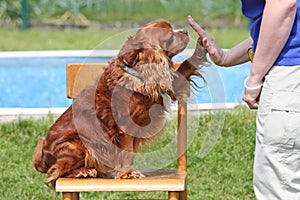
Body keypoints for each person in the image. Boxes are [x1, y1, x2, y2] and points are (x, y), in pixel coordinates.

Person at [188, 0, 300, 199]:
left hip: (289, 80)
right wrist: (226, 57)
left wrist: (254, 79)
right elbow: (278, 24)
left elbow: (283, 5)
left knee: (281, 189)